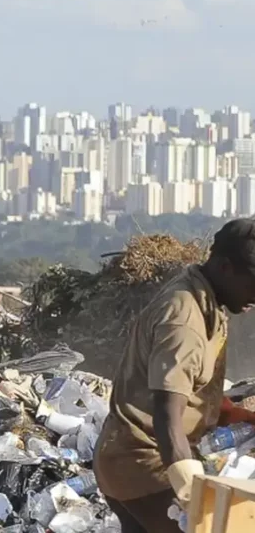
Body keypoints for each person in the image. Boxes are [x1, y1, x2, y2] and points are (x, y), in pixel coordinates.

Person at [93, 218, 255, 533]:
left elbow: (186, 383)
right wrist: (193, 493)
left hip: (124, 459)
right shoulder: (185, 321)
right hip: (145, 466)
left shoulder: (204, 296)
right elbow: (167, 418)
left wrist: (230, 414)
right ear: (225, 267)